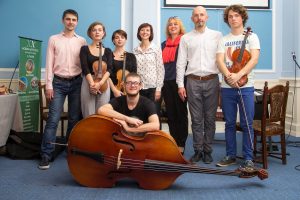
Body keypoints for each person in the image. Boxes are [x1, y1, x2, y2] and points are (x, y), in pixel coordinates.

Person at [39, 9, 86, 170]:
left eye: (74, 20)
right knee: (53, 120)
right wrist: (49, 85)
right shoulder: (53, 39)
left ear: (77, 22)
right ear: (63, 21)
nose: (70, 22)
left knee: (74, 119)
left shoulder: (82, 41)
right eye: (68, 19)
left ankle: (69, 150)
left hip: (77, 83)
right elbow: (49, 63)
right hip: (58, 83)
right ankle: (46, 155)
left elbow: (86, 63)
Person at [216, 4, 260, 169]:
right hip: (226, 87)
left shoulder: (252, 37)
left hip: (246, 86)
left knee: (247, 123)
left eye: (236, 15)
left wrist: (238, 75)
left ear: (242, 17)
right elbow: (220, 60)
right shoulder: (223, 39)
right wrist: (229, 75)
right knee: (229, 123)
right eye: (230, 16)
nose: (233, 18)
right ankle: (230, 155)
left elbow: (254, 60)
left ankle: (249, 158)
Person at [176, 6, 222, 164]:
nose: (199, 18)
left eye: (202, 15)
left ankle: (208, 151)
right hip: (192, 82)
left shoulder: (217, 36)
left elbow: (221, 60)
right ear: (192, 19)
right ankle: (197, 150)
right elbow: (181, 63)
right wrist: (180, 85)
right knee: (196, 119)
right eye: (196, 15)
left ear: (207, 17)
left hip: (212, 80)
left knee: (210, 119)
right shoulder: (186, 38)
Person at [161, 16, 188, 154]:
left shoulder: (185, 41)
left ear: (180, 27)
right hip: (166, 82)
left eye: (175, 24)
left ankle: (181, 143)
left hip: (180, 83)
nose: (172, 26)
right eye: (170, 24)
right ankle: (173, 141)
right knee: (171, 113)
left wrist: (181, 84)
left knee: (181, 113)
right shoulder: (163, 44)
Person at [133, 23, 164, 127]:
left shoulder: (156, 49)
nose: (145, 32)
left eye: (147, 30)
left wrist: (158, 89)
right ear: (139, 32)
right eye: (142, 30)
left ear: (150, 33)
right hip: (139, 88)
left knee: (154, 115)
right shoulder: (135, 50)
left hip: (153, 88)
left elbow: (160, 69)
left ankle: (156, 140)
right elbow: (134, 70)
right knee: (141, 114)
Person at [79, 21, 112, 118]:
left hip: (104, 83)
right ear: (90, 33)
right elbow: (85, 68)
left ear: (103, 33)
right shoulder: (84, 49)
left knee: (102, 114)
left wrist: (100, 83)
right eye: (94, 30)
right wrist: (92, 84)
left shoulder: (108, 51)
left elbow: (110, 69)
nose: (97, 32)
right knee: (88, 114)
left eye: (100, 30)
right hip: (89, 82)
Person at [109, 29, 137, 98]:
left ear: (125, 40)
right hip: (111, 88)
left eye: (122, 37)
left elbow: (134, 74)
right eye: (117, 37)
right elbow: (107, 75)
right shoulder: (108, 55)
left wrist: (128, 84)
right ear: (113, 40)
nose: (119, 39)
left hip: (128, 89)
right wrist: (114, 90)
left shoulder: (131, 56)